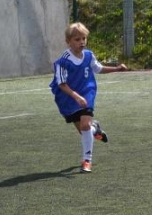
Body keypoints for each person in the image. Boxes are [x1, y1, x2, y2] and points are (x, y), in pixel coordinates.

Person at [49, 22, 128, 173]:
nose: (82, 42)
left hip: (87, 92)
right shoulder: (63, 61)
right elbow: (61, 84)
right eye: (77, 39)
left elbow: (98, 68)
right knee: (84, 130)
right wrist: (75, 96)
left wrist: (117, 68)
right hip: (67, 97)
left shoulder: (89, 55)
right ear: (68, 42)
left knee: (84, 125)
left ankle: (87, 160)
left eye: (84, 38)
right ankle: (95, 129)